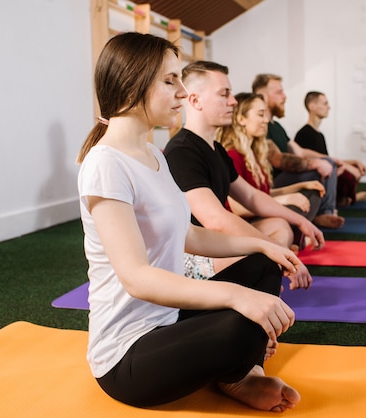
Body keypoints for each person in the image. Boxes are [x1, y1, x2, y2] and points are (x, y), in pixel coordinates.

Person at [76, 33, 301, 412]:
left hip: (171, 320)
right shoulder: (105, 163)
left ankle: (241, 373)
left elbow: (188, 234)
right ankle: (238, 368)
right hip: (128, 354)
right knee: (242, 323)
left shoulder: (153, 154)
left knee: (265, 268)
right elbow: (137, 277)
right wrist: (237, 296)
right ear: (133, 84)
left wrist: (262, 245)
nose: (182, 92)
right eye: (170, 81)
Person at [164, 61, 323, 287]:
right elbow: (215, 220)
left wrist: (300, 221)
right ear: (195, 100)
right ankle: (268, 270)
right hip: (195, 252)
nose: (233, 101)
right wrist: (274, 249)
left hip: (216, 242)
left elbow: (251, 197)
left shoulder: (216, 149)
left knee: (279, 225)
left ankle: (270, 269)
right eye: (224, 94)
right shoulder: (182, 151)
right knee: (261, 258)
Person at [217, 92, 326, 241]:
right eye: (261, 115)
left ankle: (296, 239)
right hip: (243, 222)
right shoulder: (232, 155)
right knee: (281, 224)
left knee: (312, 192)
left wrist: (301, 186)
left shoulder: (254, 154)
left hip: (258, 214)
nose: (266, 120)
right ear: (241, 119)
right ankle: (295, 239)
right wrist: (284, 200)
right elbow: (238, 207)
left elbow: (264, 194)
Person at [252, 74, 344, 228]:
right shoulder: (260, 126)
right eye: (279, 92)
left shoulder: (277, 127)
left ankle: (323, 213)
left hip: (283, 179)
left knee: (325, 166)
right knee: (320, 169)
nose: (285, 96)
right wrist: (316, 164)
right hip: (273, 182)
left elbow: (300, 151)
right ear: (263, 96)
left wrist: (331, 159)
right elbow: (277, 159)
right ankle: (323, 213)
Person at [295, 91, 366, 207]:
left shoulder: (319, 135)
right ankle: (344, 199)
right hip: (317, 175)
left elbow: (327, 158)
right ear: (312, 107)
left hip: (326, 167)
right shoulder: (304, 134)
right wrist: (347, 167)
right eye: (325, 104)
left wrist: (353, 162)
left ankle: (345, 198)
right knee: (348, 175)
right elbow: (320, 162)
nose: (329, 107)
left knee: (355, 168)